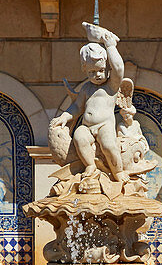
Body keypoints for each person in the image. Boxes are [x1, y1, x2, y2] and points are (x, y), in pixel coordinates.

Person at [50, 22, 130, 182]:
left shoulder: (112, 86)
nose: (98, 75)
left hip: (104, 126)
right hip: (87, 127)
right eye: (92, 72)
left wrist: (111, 47)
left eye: (101, 70)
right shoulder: (86, 88)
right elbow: (77, 107)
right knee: (79, 137)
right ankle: (90, 165)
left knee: (108, 146)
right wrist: (65, 117)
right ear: (84, 70)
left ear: (108, 69)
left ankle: (118, 172)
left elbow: (119, 69)